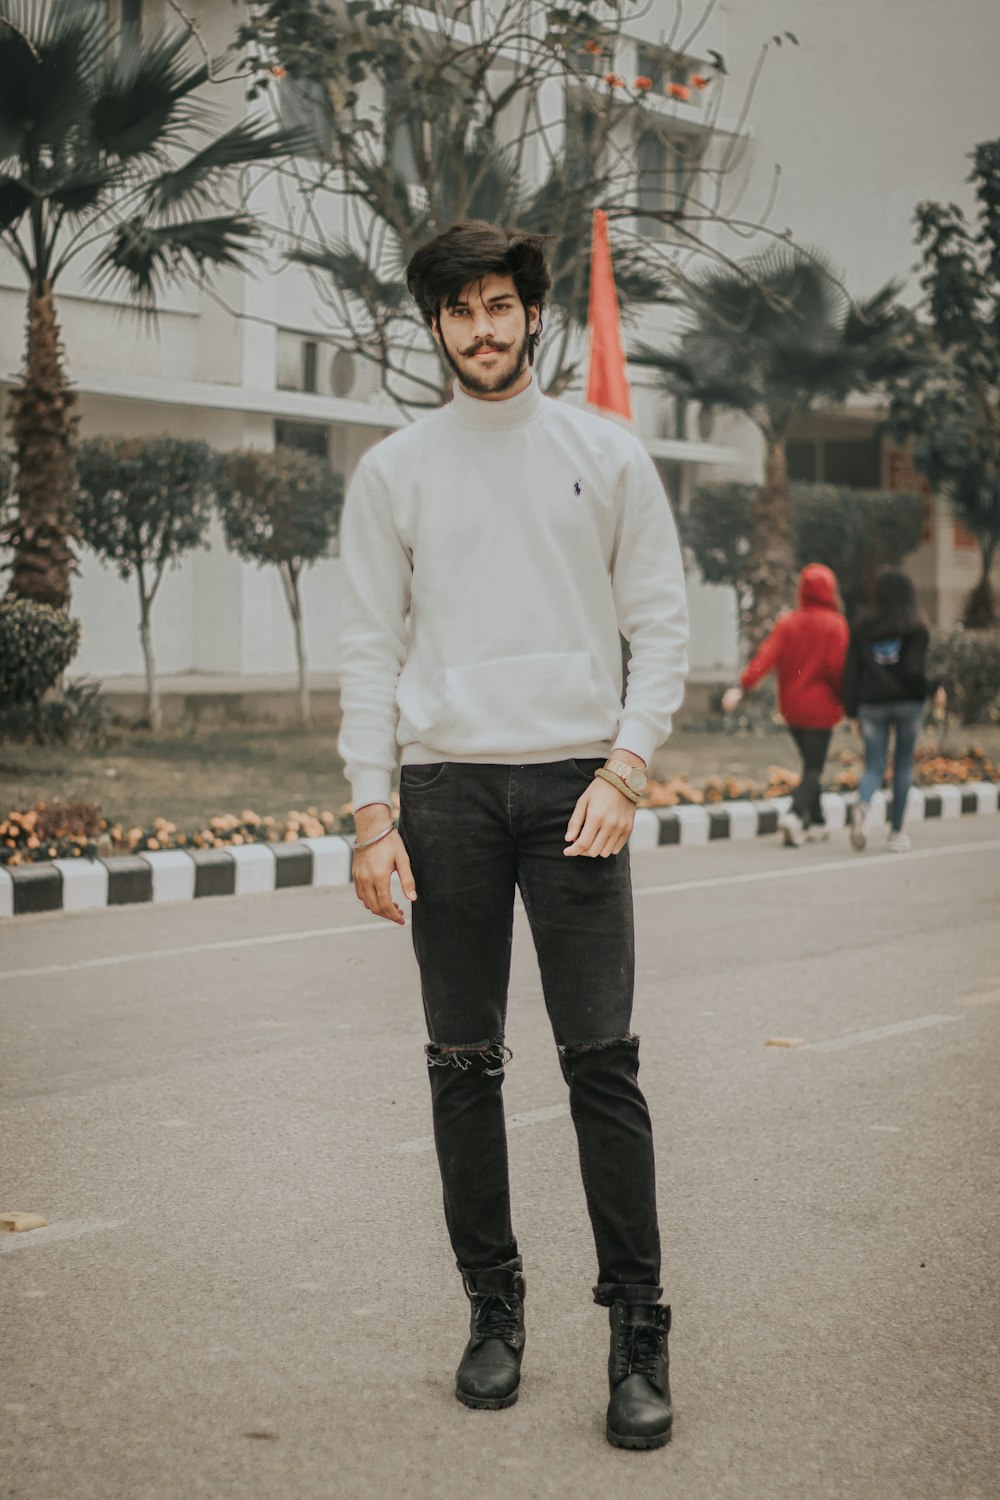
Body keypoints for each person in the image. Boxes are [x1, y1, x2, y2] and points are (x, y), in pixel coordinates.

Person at [336, 220, 689, 1450]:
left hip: (576, 793)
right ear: (433, 327)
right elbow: (369, 649)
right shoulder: (396, 471)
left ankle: (637, 1336)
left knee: (603, 1065)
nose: (481, 330)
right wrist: (373, 812)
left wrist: (625, 769)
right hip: (445, 798)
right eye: (458, 312)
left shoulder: (605, 454)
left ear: (532, 313)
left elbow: (661, 625)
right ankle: (493, 1314)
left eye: (499, 306)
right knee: (461, 1067)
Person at [721, 564, 849, 846]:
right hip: (822, 708)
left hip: (792, 707)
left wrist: (741, 687)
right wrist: (847, 702)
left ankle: (817, 823)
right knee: (815, 766)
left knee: (809, 763)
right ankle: (793, 815)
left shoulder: (788, 622)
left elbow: (766, 657)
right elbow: (837, 669)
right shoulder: (836, 624)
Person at [842, 568, 947, 853]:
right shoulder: (915, 625)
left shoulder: (863, 625)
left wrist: (852, 711)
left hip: (871, 705)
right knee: (902, 765)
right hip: (907, 705)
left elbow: (852, 670)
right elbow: (913, 671)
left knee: (874, 765)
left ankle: (862, 806)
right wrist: (933, 688)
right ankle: (896, 832)